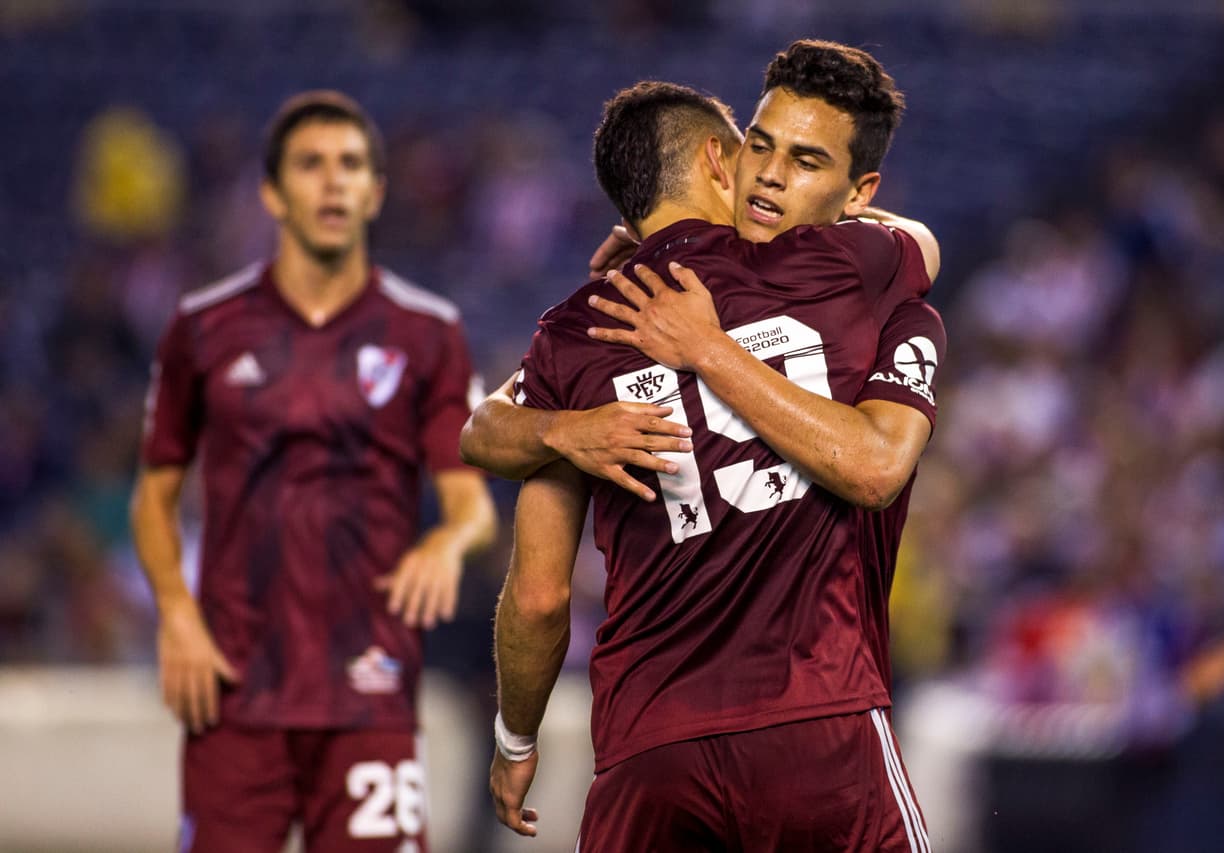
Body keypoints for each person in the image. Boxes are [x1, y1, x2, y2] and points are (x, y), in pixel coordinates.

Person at [480, 40, 944, 852]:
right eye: (759, 146)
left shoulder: (571, 334)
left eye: (801, 160)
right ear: (721, 159)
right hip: (816, 724)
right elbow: (922, 247)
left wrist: (518, 740)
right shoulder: (856, 268)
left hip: (645, 755)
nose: (768, 175)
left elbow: (538, 596)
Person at [130, 90, 497, 853]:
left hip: (370, 691)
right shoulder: (202, 329)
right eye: (311, 164)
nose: (334, 182)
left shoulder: (428, 333)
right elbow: (155, 494)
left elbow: (472, 504)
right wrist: (175, 613)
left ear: (376, 190)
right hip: (233, 692)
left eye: (352, 165)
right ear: (272, 191)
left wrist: (446, 544)